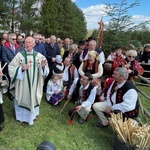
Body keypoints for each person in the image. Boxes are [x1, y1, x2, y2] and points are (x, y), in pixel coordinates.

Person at [8, 36, 49, 125]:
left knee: (33, 98)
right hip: (23, 83)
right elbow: (11, 67)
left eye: (30, 42)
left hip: (34, 83)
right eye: (26, 42)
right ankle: (21, 118)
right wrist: (21, 69)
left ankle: (32, 116)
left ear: (34, 44)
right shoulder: (19, 55)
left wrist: (42, 66)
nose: (27, 44)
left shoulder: (39, 56)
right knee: (23, 98)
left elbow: (45, 70)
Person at [2, 33, 22, 100]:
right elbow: (4, 58)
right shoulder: (5, 47)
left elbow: (20, 56)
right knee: (10, 80)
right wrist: (11, 65)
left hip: (17, 67)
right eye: (13, 39)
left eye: (16, 39)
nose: (15, 40)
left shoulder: (18, 46)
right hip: (9, 67)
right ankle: (10, 93)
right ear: (9, 39)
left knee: (17, 79)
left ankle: (16, 92)